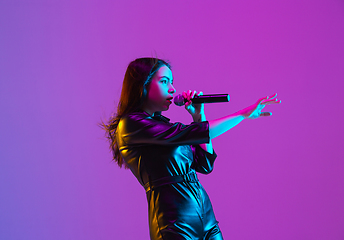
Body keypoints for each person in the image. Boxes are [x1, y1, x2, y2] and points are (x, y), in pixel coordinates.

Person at [102, 57, 281, 240]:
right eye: (164, 81)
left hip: (206, 218)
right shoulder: (131, 125)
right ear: (143, 85)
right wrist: (243, 114)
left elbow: (204, 164)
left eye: (172, 82)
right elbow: (191, 133)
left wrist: (199, 115)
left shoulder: (164, 128)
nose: (172, 88)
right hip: (174, 222)